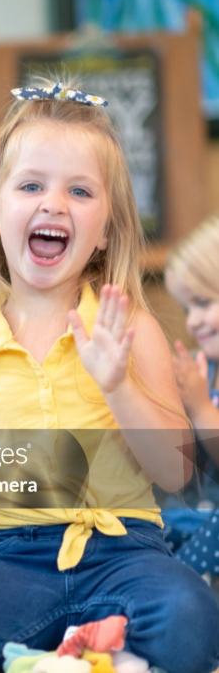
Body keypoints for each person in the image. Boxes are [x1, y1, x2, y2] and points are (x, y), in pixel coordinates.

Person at [0, 82, 219, 673]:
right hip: (13, 559)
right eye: (31, 186)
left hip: (125, 549)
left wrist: (117, 383)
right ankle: (77, 655)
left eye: (79, 191)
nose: (54, 204)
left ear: (104, 230)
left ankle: (70, 654)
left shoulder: (131, 329)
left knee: (190, 617)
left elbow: (175, 471)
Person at [165, 215, 219, 577]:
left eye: (202, 302)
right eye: (187, 309)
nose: (193, 322)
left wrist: (200, 407)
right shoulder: (209, 367)